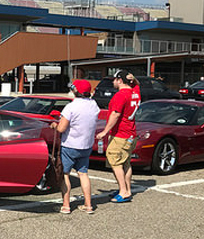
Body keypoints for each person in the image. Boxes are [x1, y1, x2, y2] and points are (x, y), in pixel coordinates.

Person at [51, 80, 100, 214]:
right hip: (86, 146)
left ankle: (66, 205)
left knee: (65, 174)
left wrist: (54, 124)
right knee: (83, 173)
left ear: (76, 90)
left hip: (70, 145)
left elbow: (61, 128)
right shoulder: (94, 105)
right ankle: (88, 205)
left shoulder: (71, 107)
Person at [96, 69, 140, 203]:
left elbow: (115, 114)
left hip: (120, 134)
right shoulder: (135, 92)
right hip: (131, 133)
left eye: (115, 80)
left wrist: (105, 131)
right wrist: (134, 79)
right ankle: (127, 189)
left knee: (115, 162)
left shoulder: (121, 95)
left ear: (120, 80)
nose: (113, 82)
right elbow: (137, 84)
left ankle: (123, 191)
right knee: (125, 163)